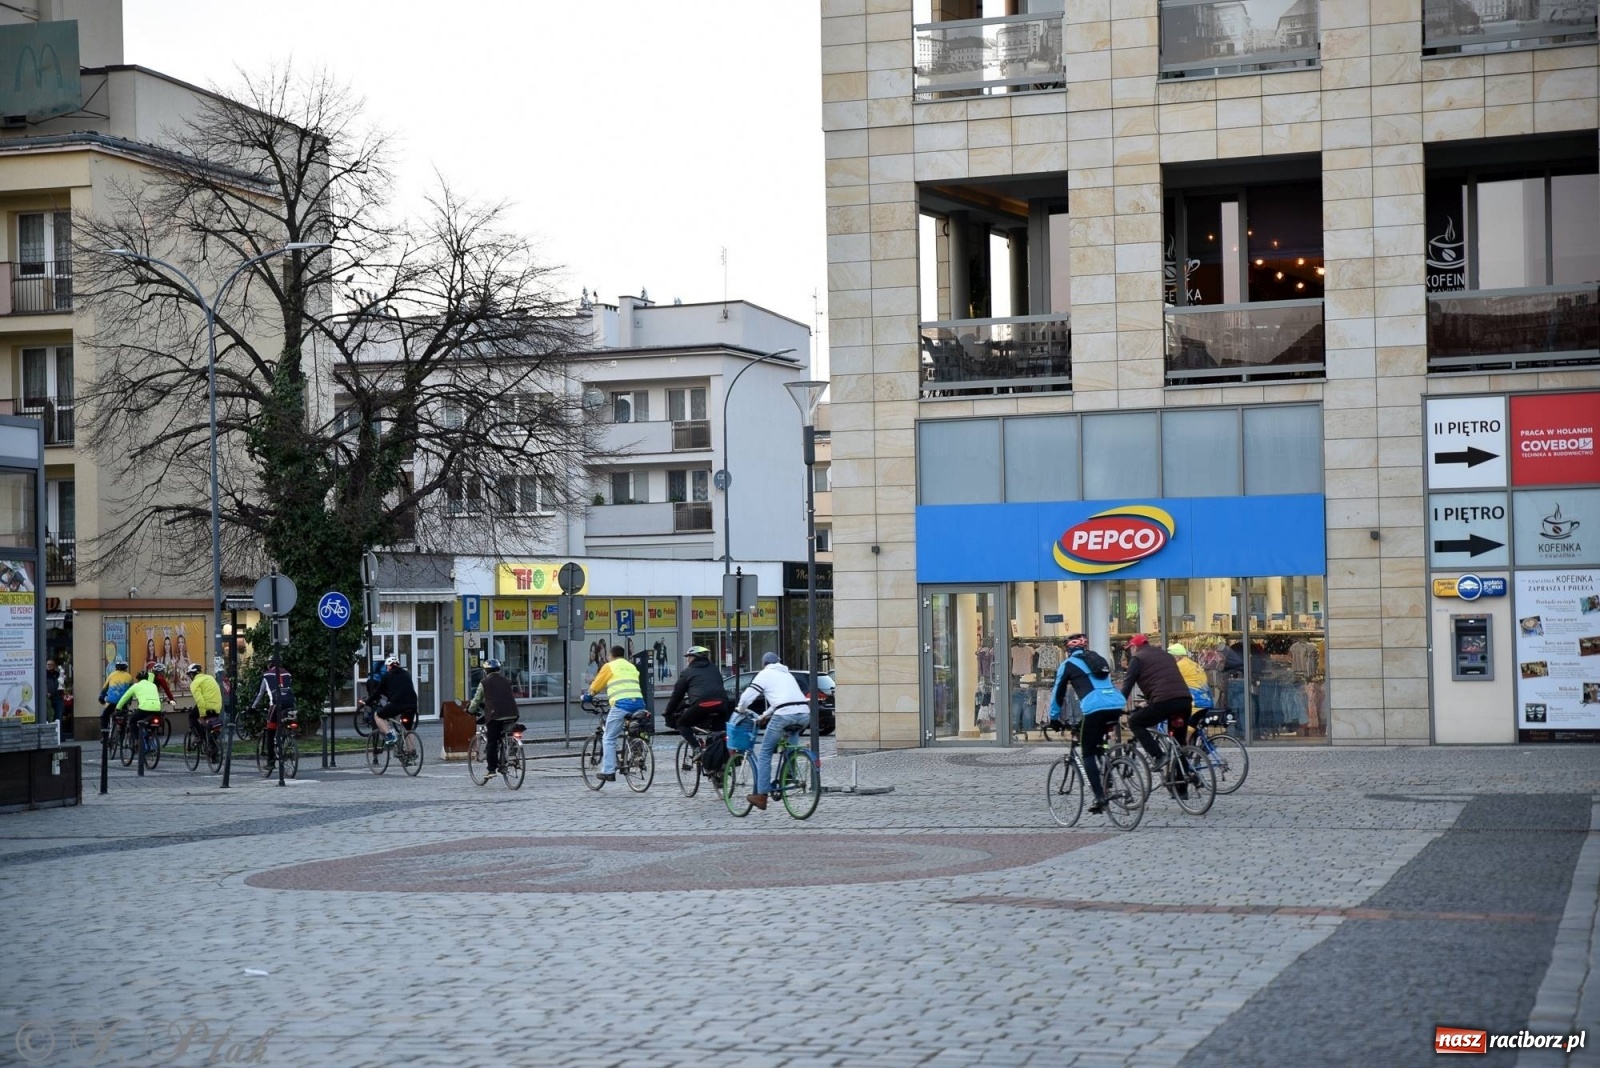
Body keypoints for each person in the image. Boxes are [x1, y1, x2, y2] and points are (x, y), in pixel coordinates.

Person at [1048, 633, 1126, 814]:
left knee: (1088, 752)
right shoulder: (1097, 659)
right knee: (1096, 738)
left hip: (1095, 707)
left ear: (1068, 650)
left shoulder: (1067, 665)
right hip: (1115, 703)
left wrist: (1054, 718)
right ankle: (1107, 771)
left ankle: (1100, 797)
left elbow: (1057, 693)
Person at [738, 651, 811, 812]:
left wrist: (740, 710)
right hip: (804, 713)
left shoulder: (764, 674)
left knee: (765, 752)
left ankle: (762, 795)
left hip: (784, 715)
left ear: (764, 664)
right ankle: (789, 776)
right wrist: (765, 715)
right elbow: (783, 700)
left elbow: (747, 698)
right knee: (790, 744)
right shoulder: (787, 674)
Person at [1120, 634, 1192, 781]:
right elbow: (1162, 679)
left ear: (1134, 647)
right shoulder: (1166, 655)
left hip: (1165, 702)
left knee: (1135, 722)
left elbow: (1127, 686)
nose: (1130, 652)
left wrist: (1115, 707)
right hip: (1184, 700)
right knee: (1179, 743)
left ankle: (1158, 756)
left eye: (1130, 649)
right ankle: (1182, 786)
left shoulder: (1137, 659)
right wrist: (1149, 700)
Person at [587, 645, 646, 784]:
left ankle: (608, 771)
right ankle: (636, 757)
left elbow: (597, 685)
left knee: (608, 737)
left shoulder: (609, 666)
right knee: (632, 731)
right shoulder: (631, 666)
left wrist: (589, 695)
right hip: (639, 703)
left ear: (610, 655)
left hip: (621, 704)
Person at [662, 645, 728, 764]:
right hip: (721, 705)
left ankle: (697, 749)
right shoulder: (714, 669)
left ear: (694, 657)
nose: (687, 659)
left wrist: (668, 713)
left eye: (688, 657)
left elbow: (677, 695)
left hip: (702, 705)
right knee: (718, 734)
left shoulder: (687, 672)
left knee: (682, 723)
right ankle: (720, 768)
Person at [466, 658, 519, 776]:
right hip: (513, 713)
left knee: (492, 741)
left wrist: (470, 710)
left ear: (486, 671)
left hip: (496, 715)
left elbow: (476, 700)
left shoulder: (484, 683)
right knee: (505, 735)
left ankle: (491, 769)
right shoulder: (507, 681)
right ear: (499, 670)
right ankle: (506, 757)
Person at [249, 657, 294, 772]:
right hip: (290, 704)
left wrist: (252, 707)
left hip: (275, 705)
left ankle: (271, 761)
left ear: (270, 664)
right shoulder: (288, 674)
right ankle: (284, 740)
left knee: (270, 732)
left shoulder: (266, 676)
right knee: (286, 724)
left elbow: (259, 694)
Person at [367, 654, 417, 747]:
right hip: (412, 704)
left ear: (389, 666)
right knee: (408, 729)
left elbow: (377, 692)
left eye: (387, 666)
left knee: (378, 716)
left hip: (398, 703)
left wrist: (367, 702)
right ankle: (411, 753)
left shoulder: (387, 676)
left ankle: (390, 736)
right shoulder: (407, 674)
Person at [1168, 643, 1209, 745]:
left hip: (1196, 705)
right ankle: (1195, 748)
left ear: (1177, 656)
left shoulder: (1180, 666)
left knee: (1181, 738)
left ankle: (1183, 750)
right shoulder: (1194, 664)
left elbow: (1168, 683)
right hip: (1205, 702)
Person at [115, 667, 165, 737]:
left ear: (138, 679)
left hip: (144, 709)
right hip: (157, 709)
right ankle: (150, 737)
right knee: (150, 723)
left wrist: (118, 708)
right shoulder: (153, 685)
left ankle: (137, 741)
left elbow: (125, 697)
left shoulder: (136, 686)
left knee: (132, 722)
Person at [186, 662, 223, 739]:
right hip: (217, 706)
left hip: (206, 706)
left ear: (192, 675)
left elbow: (200, 700)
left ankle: (199, 736)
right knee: (212, 725)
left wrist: (202, 715)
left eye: (190, 675)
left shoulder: (195, 683)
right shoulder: (210, 678)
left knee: (192, 717)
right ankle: (213, 746)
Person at [99, 659, 135, 736]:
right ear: (125, 668)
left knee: (104, 716)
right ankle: (121, 738)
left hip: (112, 702)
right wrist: (130, 700)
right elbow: (132, 690)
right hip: (123, 702)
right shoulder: (129, 677)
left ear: (116, 667)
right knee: (124, 719)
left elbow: (105, 688)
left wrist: (101, 697)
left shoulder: (111, 675)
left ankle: (104, 735)